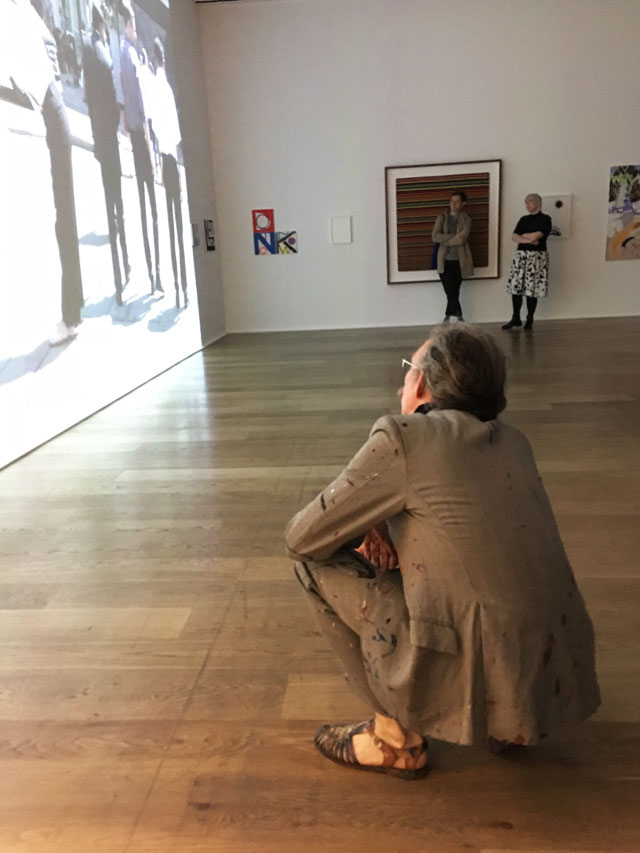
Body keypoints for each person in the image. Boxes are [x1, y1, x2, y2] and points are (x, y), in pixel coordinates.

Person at [285, 324, 600, 779]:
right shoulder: (514, 442)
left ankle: (394, 740)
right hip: (550, 663)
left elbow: (302, 536)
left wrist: (360, 522)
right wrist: (375, 518)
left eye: (409, 371)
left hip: (466, 651)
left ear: (424, 384)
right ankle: (506, 719)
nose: (401, 383)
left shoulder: (403, 437)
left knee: (312, 564)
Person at [1, 0, 84, 345]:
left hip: (50, 120)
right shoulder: (24, 13)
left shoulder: (12, 12)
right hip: (54, 114)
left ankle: (70, 316)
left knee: (62, 218)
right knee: (65, 217)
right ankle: (73, 309)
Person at [83, 2, 130, 305]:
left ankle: (120, 250)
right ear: (103, 25)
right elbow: (104, 87)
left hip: (101, 134)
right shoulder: (97, 48)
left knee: (109, 191)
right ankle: (121, 260)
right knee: (116, 197)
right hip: (107, 135)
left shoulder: (88, 47)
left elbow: (89, 94)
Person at [119, 2, 162, 295]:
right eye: (132, 23)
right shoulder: (129, 56)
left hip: (137, 133)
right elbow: (140, 102)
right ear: (125, 25)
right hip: (140, 134)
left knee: (148, 204)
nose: (135, 28)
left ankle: (153, 271)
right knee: (151, 209)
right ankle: (154, 273)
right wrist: (148, 140)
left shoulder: (129, 54)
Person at [151, 37, 188, 309]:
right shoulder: (166, 89)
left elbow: (156, 132)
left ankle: (178, 287)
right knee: (179, 226)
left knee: (171, 225)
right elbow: (175, 136)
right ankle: (183, 286)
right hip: (172, 161)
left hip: (164, 161)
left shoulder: (155, 88)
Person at [502, 194, 552, 331]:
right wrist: (529, 240)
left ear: (537, 202)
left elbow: (538, 235)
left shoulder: (545, 219)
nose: (527, 205)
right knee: (515, 288)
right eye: (526, 202)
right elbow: (514, 236)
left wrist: (523, 236)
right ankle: (516, 317)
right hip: (521, 255)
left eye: (529, 202)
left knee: (532, 289)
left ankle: (529, 318)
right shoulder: (523, 219)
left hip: (537, 257)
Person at [431, 191, 473, 323]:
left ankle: (449, 316)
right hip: (444, 260)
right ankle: (458, 314)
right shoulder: (441, 217)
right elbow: (435, 236)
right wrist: (453, 237)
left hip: (460, 260)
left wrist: (446, 240)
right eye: (451, 201)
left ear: (463, 203)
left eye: (457, 201)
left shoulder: (467, 219)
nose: (453, 204)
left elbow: (463, 238)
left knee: (455, 289)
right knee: (449, 289)